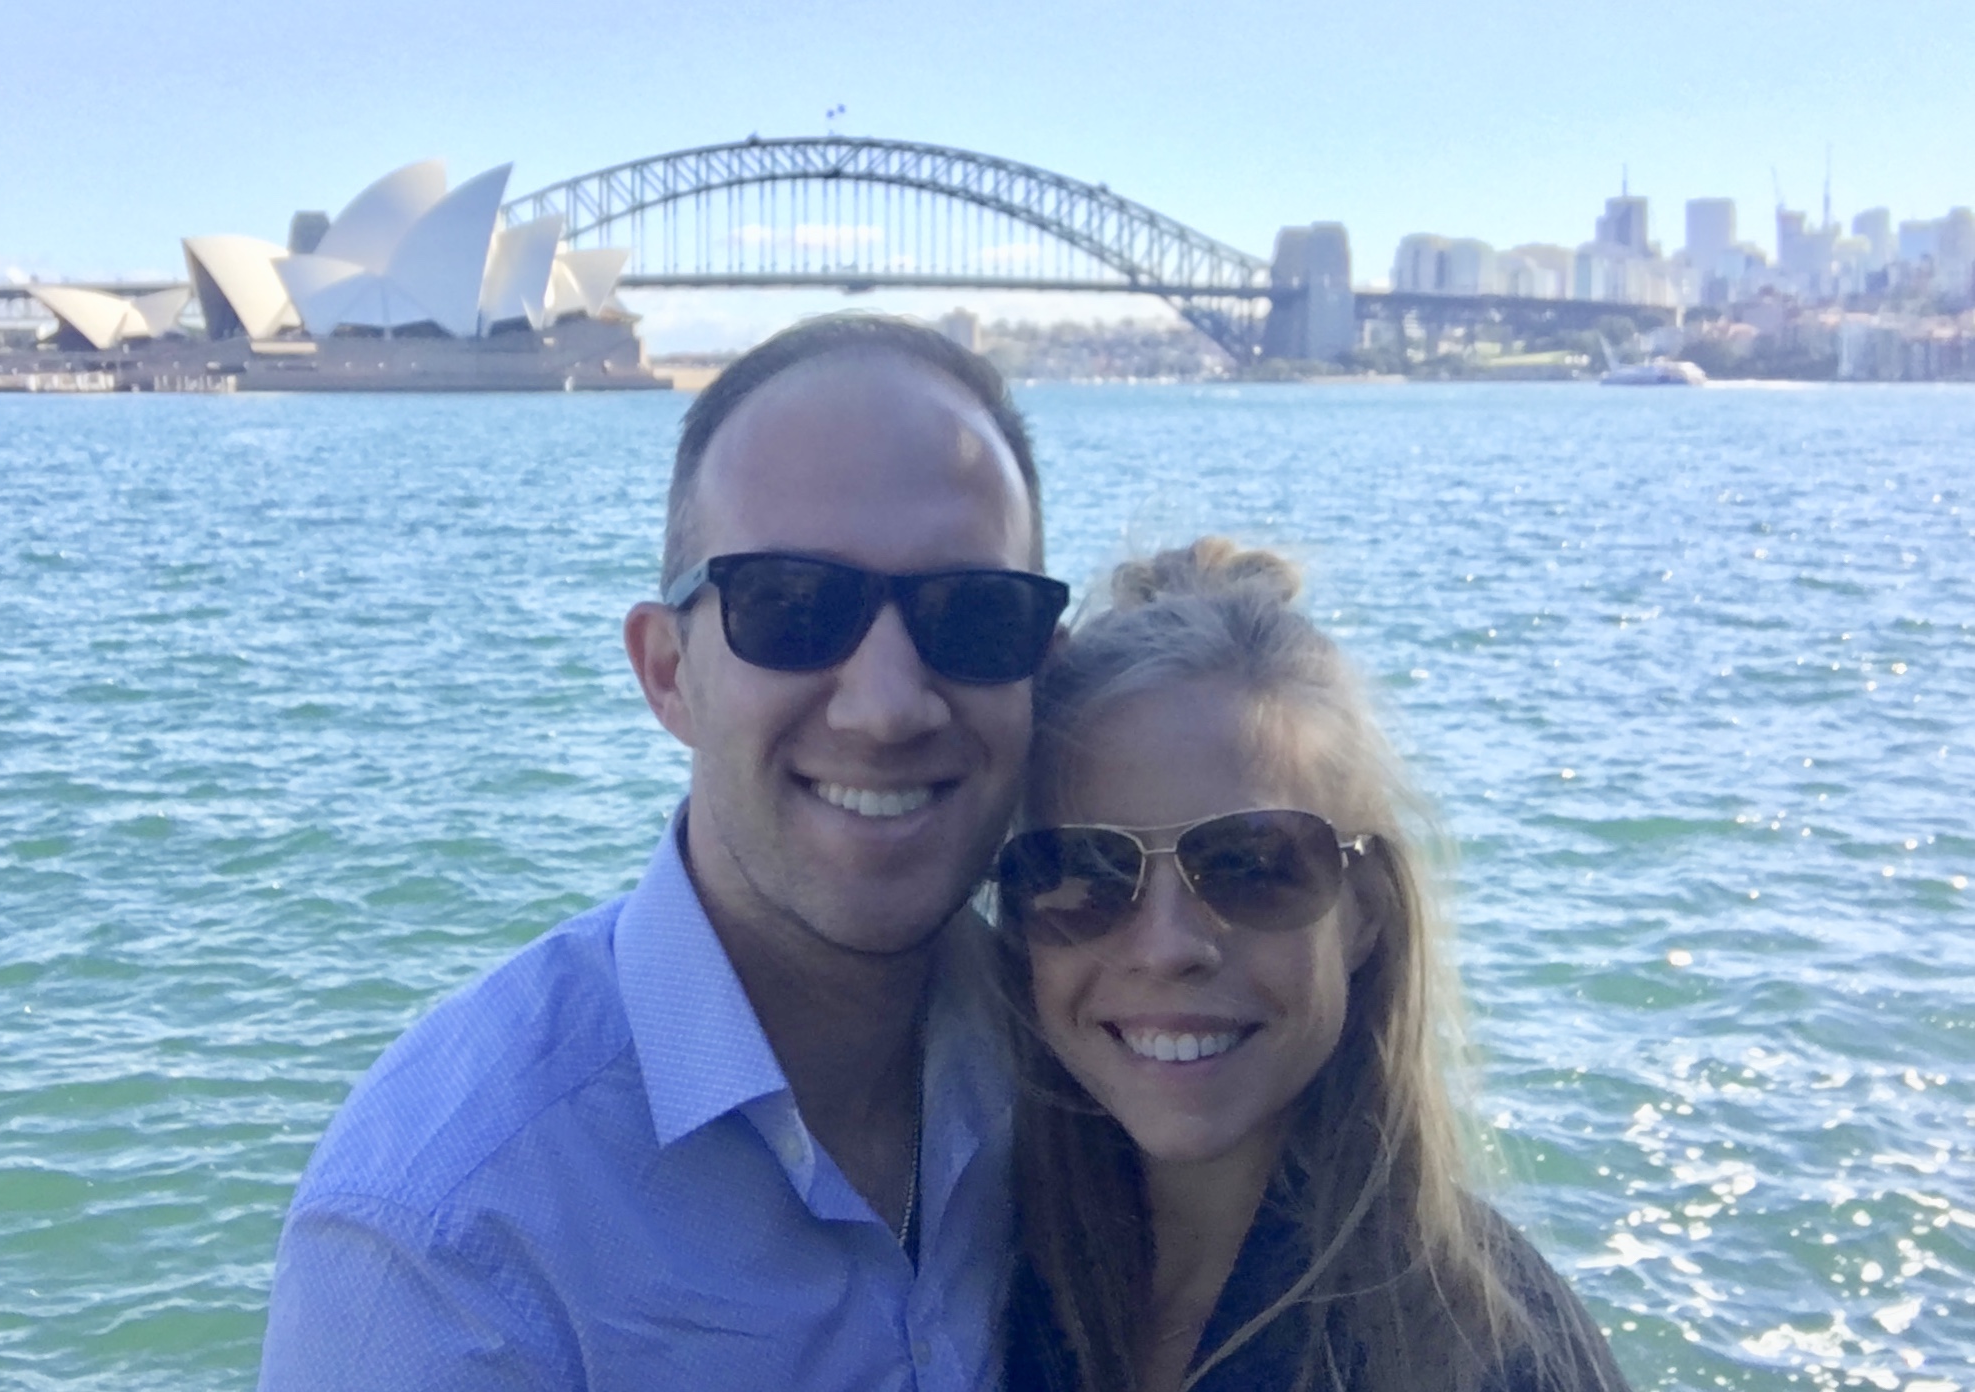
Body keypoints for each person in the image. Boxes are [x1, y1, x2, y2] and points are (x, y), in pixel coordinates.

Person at [259, 314, 1070, 1389]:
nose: (884, 707)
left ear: (1044, 672)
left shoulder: (1098, 1071)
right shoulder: (445, 1236)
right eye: (792, 606)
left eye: (974, 614)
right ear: (668, 672)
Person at [994, 539, 1629, 1392]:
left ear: (1365, 909)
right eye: (1088, 871)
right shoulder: (966, 1277)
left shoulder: (1489, 1351)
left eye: (1251, 866)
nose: (1167, 945)